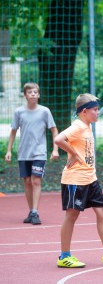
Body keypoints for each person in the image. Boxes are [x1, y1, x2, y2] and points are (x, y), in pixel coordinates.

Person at [54, 93, 103, 268]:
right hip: (75, 179)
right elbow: (58, 139)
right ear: (84, 111)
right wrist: (73, 154)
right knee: (72, 215)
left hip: (90, 178)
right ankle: (64, 256)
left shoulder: (87, 126)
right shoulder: (77, 126)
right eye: (95, 110)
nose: (98, 113)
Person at [4, 82, 59, 225]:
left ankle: (35, 211)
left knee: (36, 180)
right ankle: (30, 211)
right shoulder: (19, 112)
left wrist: (55, 149)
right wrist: (9, 150)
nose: (33, 94)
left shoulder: (45, 111)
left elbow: (54, 130)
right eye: (30, 92)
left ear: (39, 94)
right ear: (25, 95)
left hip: (39, 153)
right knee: (27, 182)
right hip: (23, 153)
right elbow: (13, 132)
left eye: (35, 92)